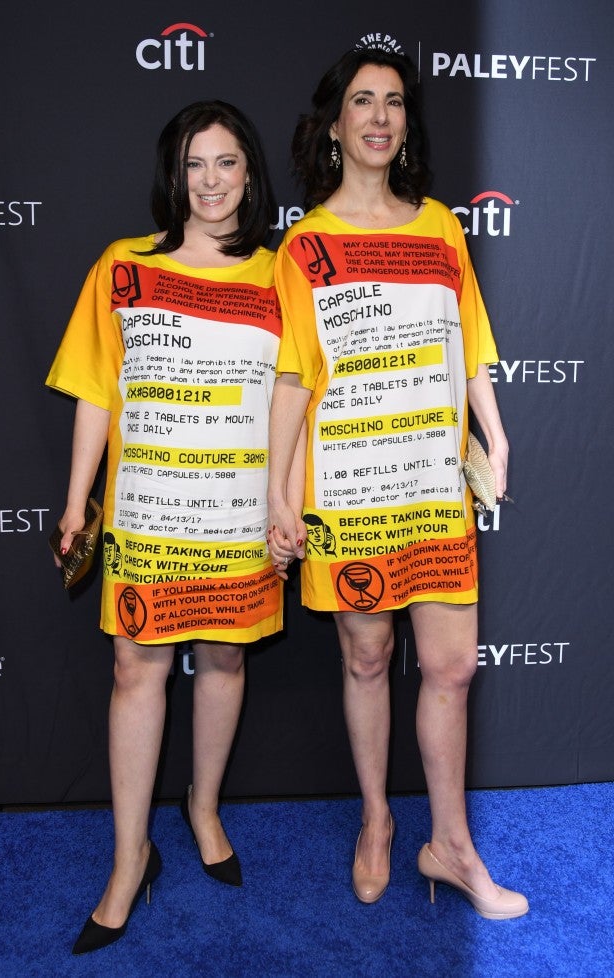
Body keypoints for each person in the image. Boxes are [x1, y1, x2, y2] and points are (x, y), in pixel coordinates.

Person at [267, 47, 528, 918]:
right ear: (335, 125)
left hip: (432, 487)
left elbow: (470, 341)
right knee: (368, 657)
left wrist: (492, 429)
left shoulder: (442, 226)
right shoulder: (305, 247)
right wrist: (278, 494)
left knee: (450, 667)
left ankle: (450, 847)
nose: (378, 117)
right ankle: (378, 821)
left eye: (393, 104)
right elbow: (296, 380)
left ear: (406, 125)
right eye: (361, 102)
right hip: (349, 489)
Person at [47, 100, 283, 954]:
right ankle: (127, 858)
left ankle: (204, 807)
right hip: (148, 513)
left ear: (251, 175)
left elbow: (295, 404)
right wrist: (77, 503)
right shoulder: (122, 267)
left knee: (224, 655)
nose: (210, 182)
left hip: (239, 517)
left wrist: (286, 505)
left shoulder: (276, 277)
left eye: (226, 163)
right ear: (171, 174)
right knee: (133, 667)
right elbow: (96, 394)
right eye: (193, 164)